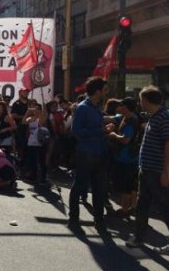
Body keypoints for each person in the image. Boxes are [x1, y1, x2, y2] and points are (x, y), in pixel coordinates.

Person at [126, 86, 169, 254]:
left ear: (146, 101)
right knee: (142, 205)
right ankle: (138, 237)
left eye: (140, 100)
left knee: (166, 207)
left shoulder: (166, 118)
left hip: (157, 171)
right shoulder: (155, 116)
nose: (139, 104)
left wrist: (166, 171)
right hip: (146, 169)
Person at [68, 77, 110, 234]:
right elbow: (76, 131)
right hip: (85, 153)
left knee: (99, 189)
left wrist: (104, 129)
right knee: (79, 186)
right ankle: (73, 219)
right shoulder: (83, 108)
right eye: (105, 90)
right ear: (98, 91)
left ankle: (99, 221)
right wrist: (100, 131)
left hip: (99, 152)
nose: (106, 93)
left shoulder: (96, 107)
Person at [107, 97, 139, 217]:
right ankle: (134, 207)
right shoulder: (127, 117)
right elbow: (111, 118)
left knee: (126, 185)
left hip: (126, 158)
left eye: (121, 106)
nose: (119, 108)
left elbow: (126, 140)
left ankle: (125, 209)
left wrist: (114, 135)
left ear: (126, 107)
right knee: (133, 186)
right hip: (132, 157)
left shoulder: (131, 120)